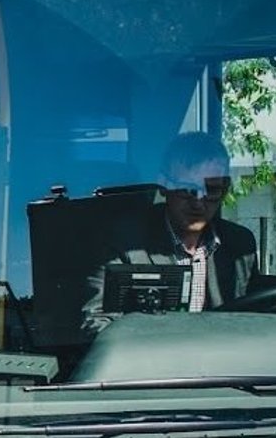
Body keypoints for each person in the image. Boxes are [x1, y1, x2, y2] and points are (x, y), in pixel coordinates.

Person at [82, 131, 258, 331]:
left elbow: (255, 317)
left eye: (212, 190)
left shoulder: (240, 245)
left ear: (225, 190)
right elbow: (96, 323)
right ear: (164, 185)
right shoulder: (125, 243)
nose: (198, 203)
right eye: (186, 189)